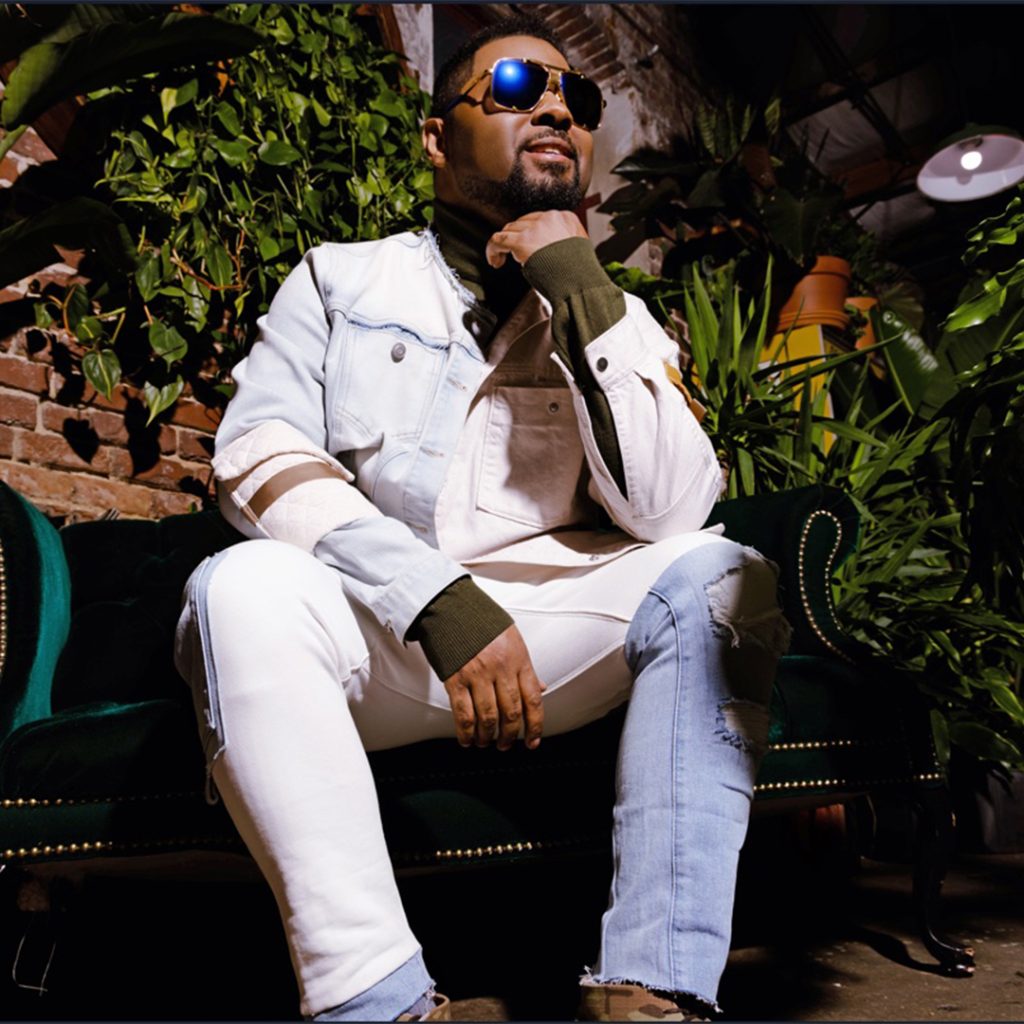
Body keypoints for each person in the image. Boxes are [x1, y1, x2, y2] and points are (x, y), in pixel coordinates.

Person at [175, 14, 791, 1023]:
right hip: (384, 638)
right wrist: (435, 599)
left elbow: (673, 511)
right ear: (436, 136)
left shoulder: (621, 317)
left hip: (554, 640)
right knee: (238, 587)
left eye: (574, 98)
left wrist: (578, 284)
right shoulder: (343, 278)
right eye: (512, 85)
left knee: (728, 575)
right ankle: (377, 1003)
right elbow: (257, 455)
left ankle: (651, 988)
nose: (554, 107)